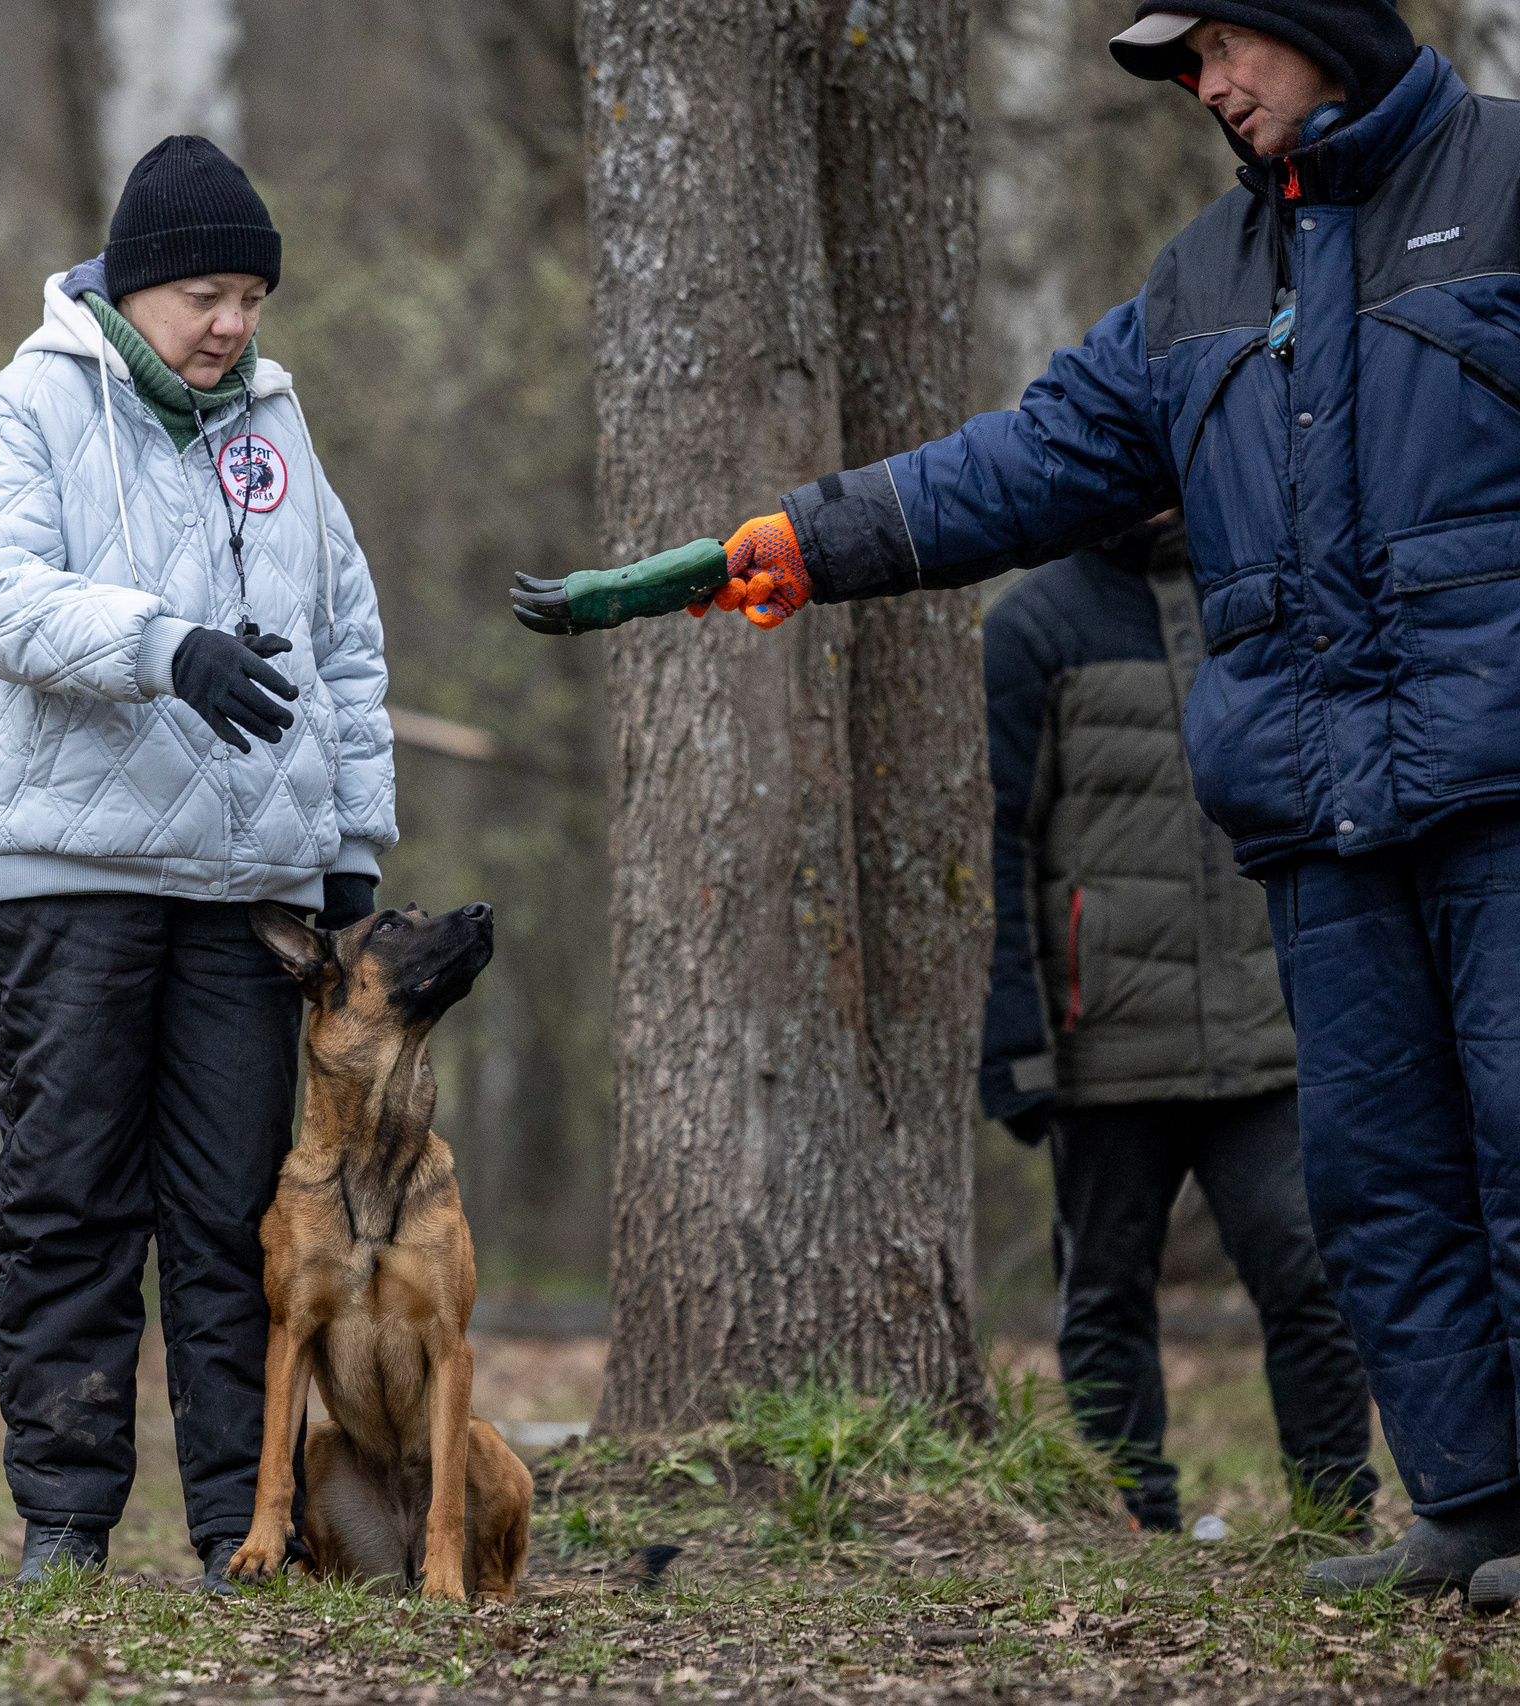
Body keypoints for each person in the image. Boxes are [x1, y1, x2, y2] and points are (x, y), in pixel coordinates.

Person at [520, 0, 1520, 1601]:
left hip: (1500, 779)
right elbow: (1033, 456)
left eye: (1221, 51)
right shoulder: (1201, 280)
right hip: (1320, 807)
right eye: (1181, 66)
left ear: (1316, 21)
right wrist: (798, 538)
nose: (1206, 88)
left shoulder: (1511, 182)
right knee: (1378, 1168)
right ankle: (1476, 1502)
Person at [0, 134, 396, 1593]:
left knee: (232, 1215)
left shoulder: (279, 427)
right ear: (135, 289)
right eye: (206, 292)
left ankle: (237, 1530)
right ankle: (63, 1521)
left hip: (243, 887)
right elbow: (2, 597)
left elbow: (346, 642)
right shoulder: (26, 407)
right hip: (61, 867)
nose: (232, 325)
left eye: (252, 297)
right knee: (71, 1195)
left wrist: (349, 847)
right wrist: (164, 647)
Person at [981, 512, 1375, 1535]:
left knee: (1313, 1272)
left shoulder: (1260, 604)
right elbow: (998, 842)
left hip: (1263, 1032)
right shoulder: (1032, 625)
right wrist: (1016, 1041)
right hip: (1102, 1043)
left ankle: (1335, 1512)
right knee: (1104, 1288)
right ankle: (1135, 1517)